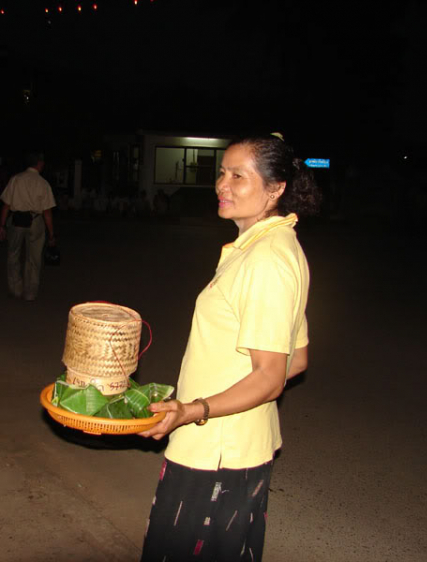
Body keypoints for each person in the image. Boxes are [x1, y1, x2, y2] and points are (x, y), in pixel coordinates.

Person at [138, 133, 322, 561]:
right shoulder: (265, 246)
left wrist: (192, 410)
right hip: (231, 447)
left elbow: (271, 377)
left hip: (217, 454)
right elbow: (298, 359)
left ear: (275, 189)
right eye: (222, 173)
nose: (222, 184)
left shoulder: (266, 261)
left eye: (239, 176)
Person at [0, 152, 56, 301]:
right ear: (39, 164)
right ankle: (30, 292)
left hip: (17, 219)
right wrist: (51, 234)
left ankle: (15, 289)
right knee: (33, 257)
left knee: (13, 254)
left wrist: (2, 226)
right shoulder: (43, 183)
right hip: (35, 220)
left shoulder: (16, 179)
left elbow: (6, 205)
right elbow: (47, 212)